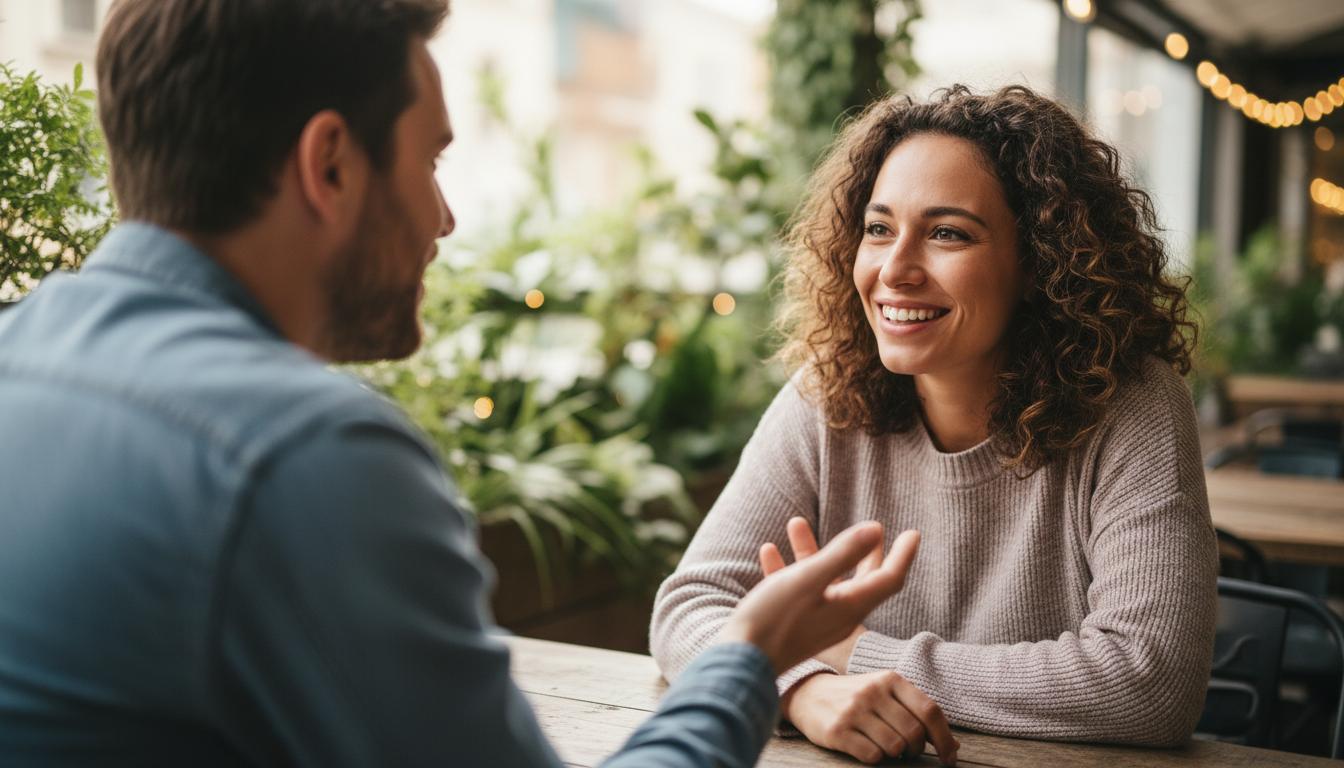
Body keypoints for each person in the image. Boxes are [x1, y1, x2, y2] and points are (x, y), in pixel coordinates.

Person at [0, 2, 958, 766]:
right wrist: (753, 654)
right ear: (329, 165)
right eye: (430, 159)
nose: (447, 218)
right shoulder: (305, 454)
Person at [650, 84, 1219, 765]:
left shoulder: (1132, 406)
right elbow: (689, 604)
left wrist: (848, 647)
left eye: (948, 233)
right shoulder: (825, 396)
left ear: (1040, 262)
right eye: (879, 228)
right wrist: (799, 685)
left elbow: (1149, 682)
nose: (895, 269)